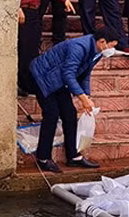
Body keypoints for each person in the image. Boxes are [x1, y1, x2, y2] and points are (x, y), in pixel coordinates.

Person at [28, 26, 119, 173]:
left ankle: (73, 157)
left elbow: (85, 74)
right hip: (43, 77)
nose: (111, 49)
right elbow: (68, 74)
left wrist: (87, 95)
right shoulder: (79, 47)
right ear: (102, 42)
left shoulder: (97, 52)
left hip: (59, 80)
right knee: (51, 114)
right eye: (111, 46)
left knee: (69, 114)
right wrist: (82, 98)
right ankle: (43, 158)